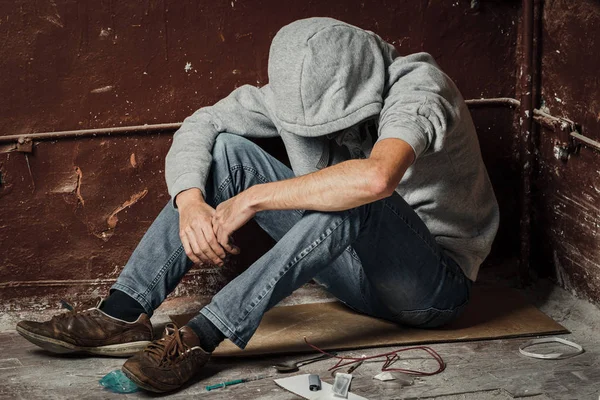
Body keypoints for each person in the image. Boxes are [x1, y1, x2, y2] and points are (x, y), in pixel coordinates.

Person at [16, 17, 499, 393]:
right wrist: (190, 203)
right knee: (227, 151)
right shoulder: (286, 95)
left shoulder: (419, 88)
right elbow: (200, 126)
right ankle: (122, 313)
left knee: (360, 195)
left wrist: (252, 200)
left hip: (430, 289)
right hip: (348, 271)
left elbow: (376, 178)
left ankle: (201, 336)